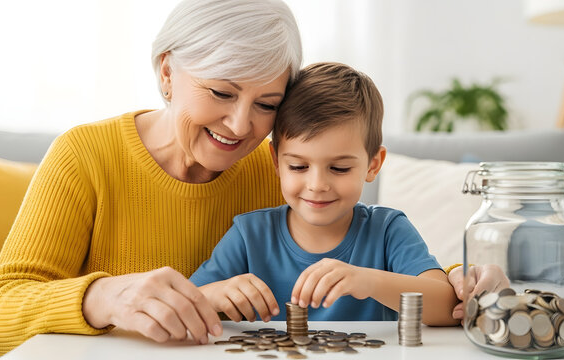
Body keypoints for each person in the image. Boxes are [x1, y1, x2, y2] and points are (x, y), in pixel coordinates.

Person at [0, 0, 302, 355]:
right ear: (167, 73)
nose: (240, 126)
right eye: (222, 93)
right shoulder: (85, 154)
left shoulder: (278, 172)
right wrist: (103, 298)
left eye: (266, 105)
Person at [189, 62, 460, 325]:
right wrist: (212, 296)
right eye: (298, 166)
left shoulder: (388, 230)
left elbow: (448, 307)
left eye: (339, 168)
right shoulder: (250, 234)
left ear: (373, 164)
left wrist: (369, 282)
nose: (317, 184)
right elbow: (186, 303)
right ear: (276, 162)